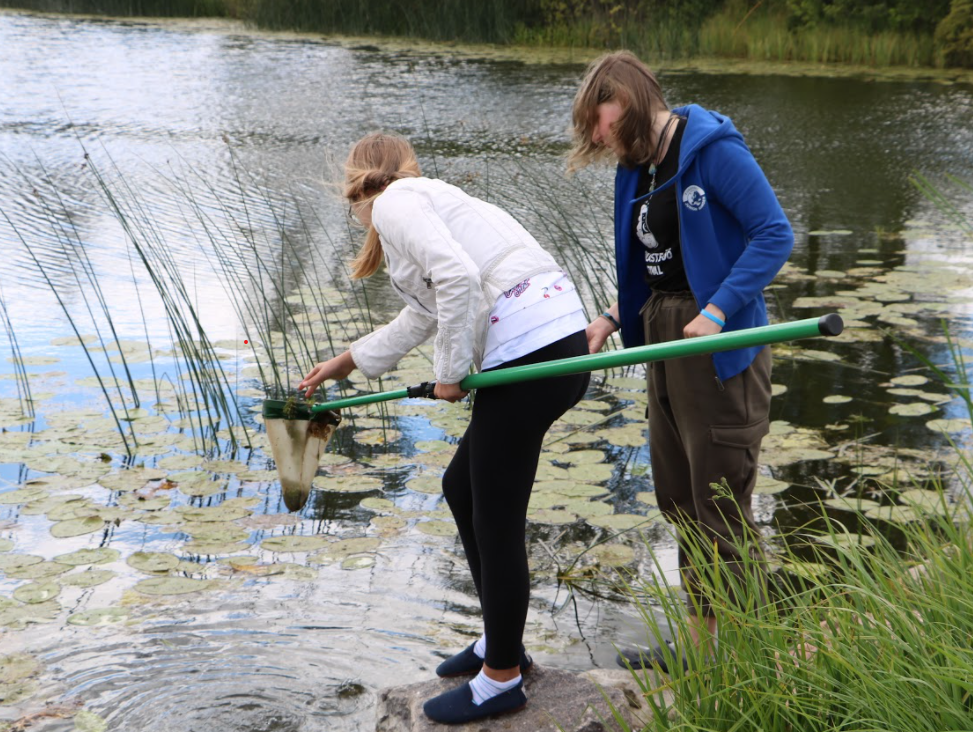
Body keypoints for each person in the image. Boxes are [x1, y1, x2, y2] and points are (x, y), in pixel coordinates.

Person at [299, 132, 590, 724]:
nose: (357, 220)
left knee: (495, 515)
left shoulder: (394, 202)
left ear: (357, 183)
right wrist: (345, 362)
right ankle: (497, 642)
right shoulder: (426, 198)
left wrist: (450, 374)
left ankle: (502, 679)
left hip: (533, 354)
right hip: (556, 341)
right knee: (462, 489)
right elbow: (426, 312)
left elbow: (457, 279)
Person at [568, 51, 793, 672]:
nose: (595, 135)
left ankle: (742, 649)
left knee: (719, 500)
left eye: (599, 118)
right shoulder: (636, 168)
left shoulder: (712, 150)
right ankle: (705, 640)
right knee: (676, 497)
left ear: (631, 101)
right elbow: (652, 261)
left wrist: (719, 311)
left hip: (715, 345)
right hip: (661, 336)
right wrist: (613, 317)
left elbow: (774, 234)